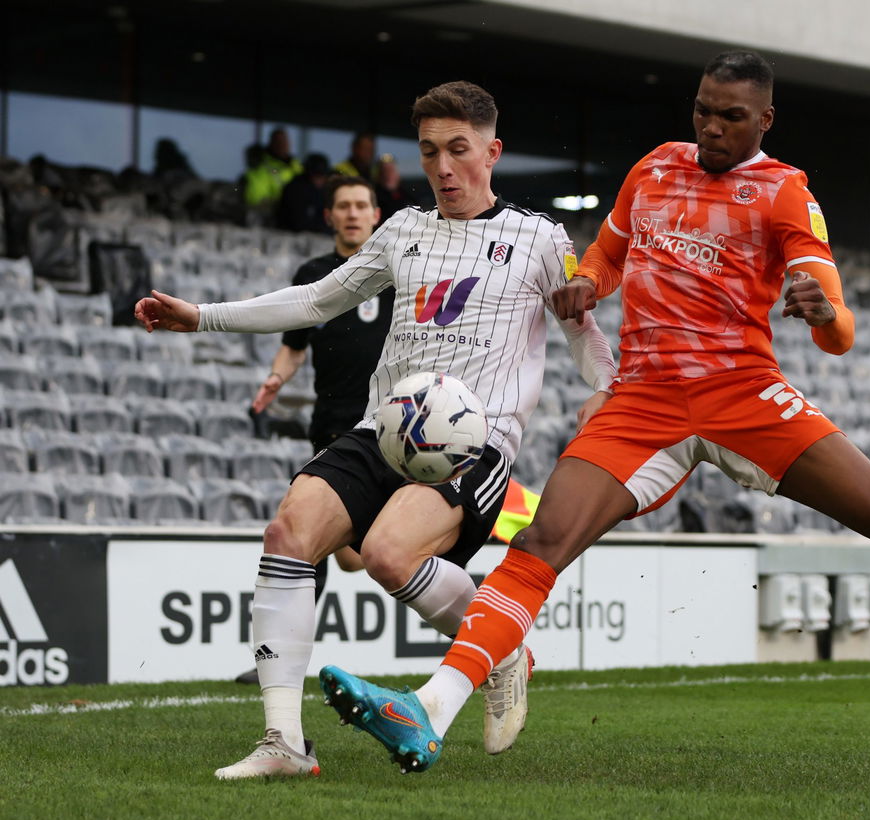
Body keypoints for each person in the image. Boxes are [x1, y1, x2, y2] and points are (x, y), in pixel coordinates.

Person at [319, 50, 870, 775]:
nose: (712, 127)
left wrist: (822, 312)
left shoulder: (785, 192)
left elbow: (839, 325)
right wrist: (586, 284)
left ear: (765, 119)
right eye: (702, 111)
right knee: (543, 541)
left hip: (742, 394)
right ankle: (429, 708)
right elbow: (605, 260)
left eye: (731, 116)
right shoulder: (653, 170)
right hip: (643, 399)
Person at [133, 80, 616, 779]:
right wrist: (201, 315)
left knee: (389, 554)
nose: (443, 167)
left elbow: (582, 333)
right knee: (289, 532)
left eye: (458, 150)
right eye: (428, 153)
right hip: (384, 428)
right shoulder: (403, 231)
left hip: (472, 443)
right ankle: (284, 745)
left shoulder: (540, 239)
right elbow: (317, 299)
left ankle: (500, 647)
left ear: (492, 151)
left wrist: (606, 392)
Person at [231, 174, 383, 686]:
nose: (353, 213)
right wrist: (276, 376)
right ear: (330, 216)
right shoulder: (315, 274)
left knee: (337, 548)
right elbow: (294, 344)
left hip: (392, 426)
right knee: (311, 540)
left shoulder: (398, 273)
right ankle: (280, 660)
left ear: (376, 214)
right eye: (344, 206)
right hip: (334, 426)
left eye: (362, 205)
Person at [244, 127, 303, 210]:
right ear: (271, 144)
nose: (282, 145)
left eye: (284, 141)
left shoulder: (297, 166)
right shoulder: (261, 167)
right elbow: (255, 197)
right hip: (273, 214)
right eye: (278, 142)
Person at [277, 153, 331, 233]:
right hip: (290, 235)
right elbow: (299, 223)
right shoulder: (296, 190)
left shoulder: (323, 190)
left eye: (322, 175)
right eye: (317, 175)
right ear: (308, 174)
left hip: (315, 234)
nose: (320, 179)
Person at [374, 152, 416, 217]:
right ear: (378, 175)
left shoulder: (408, 196)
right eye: (384, 171)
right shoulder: (373, 198)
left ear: (398, 174)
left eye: (391, 170)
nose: (388, 175)